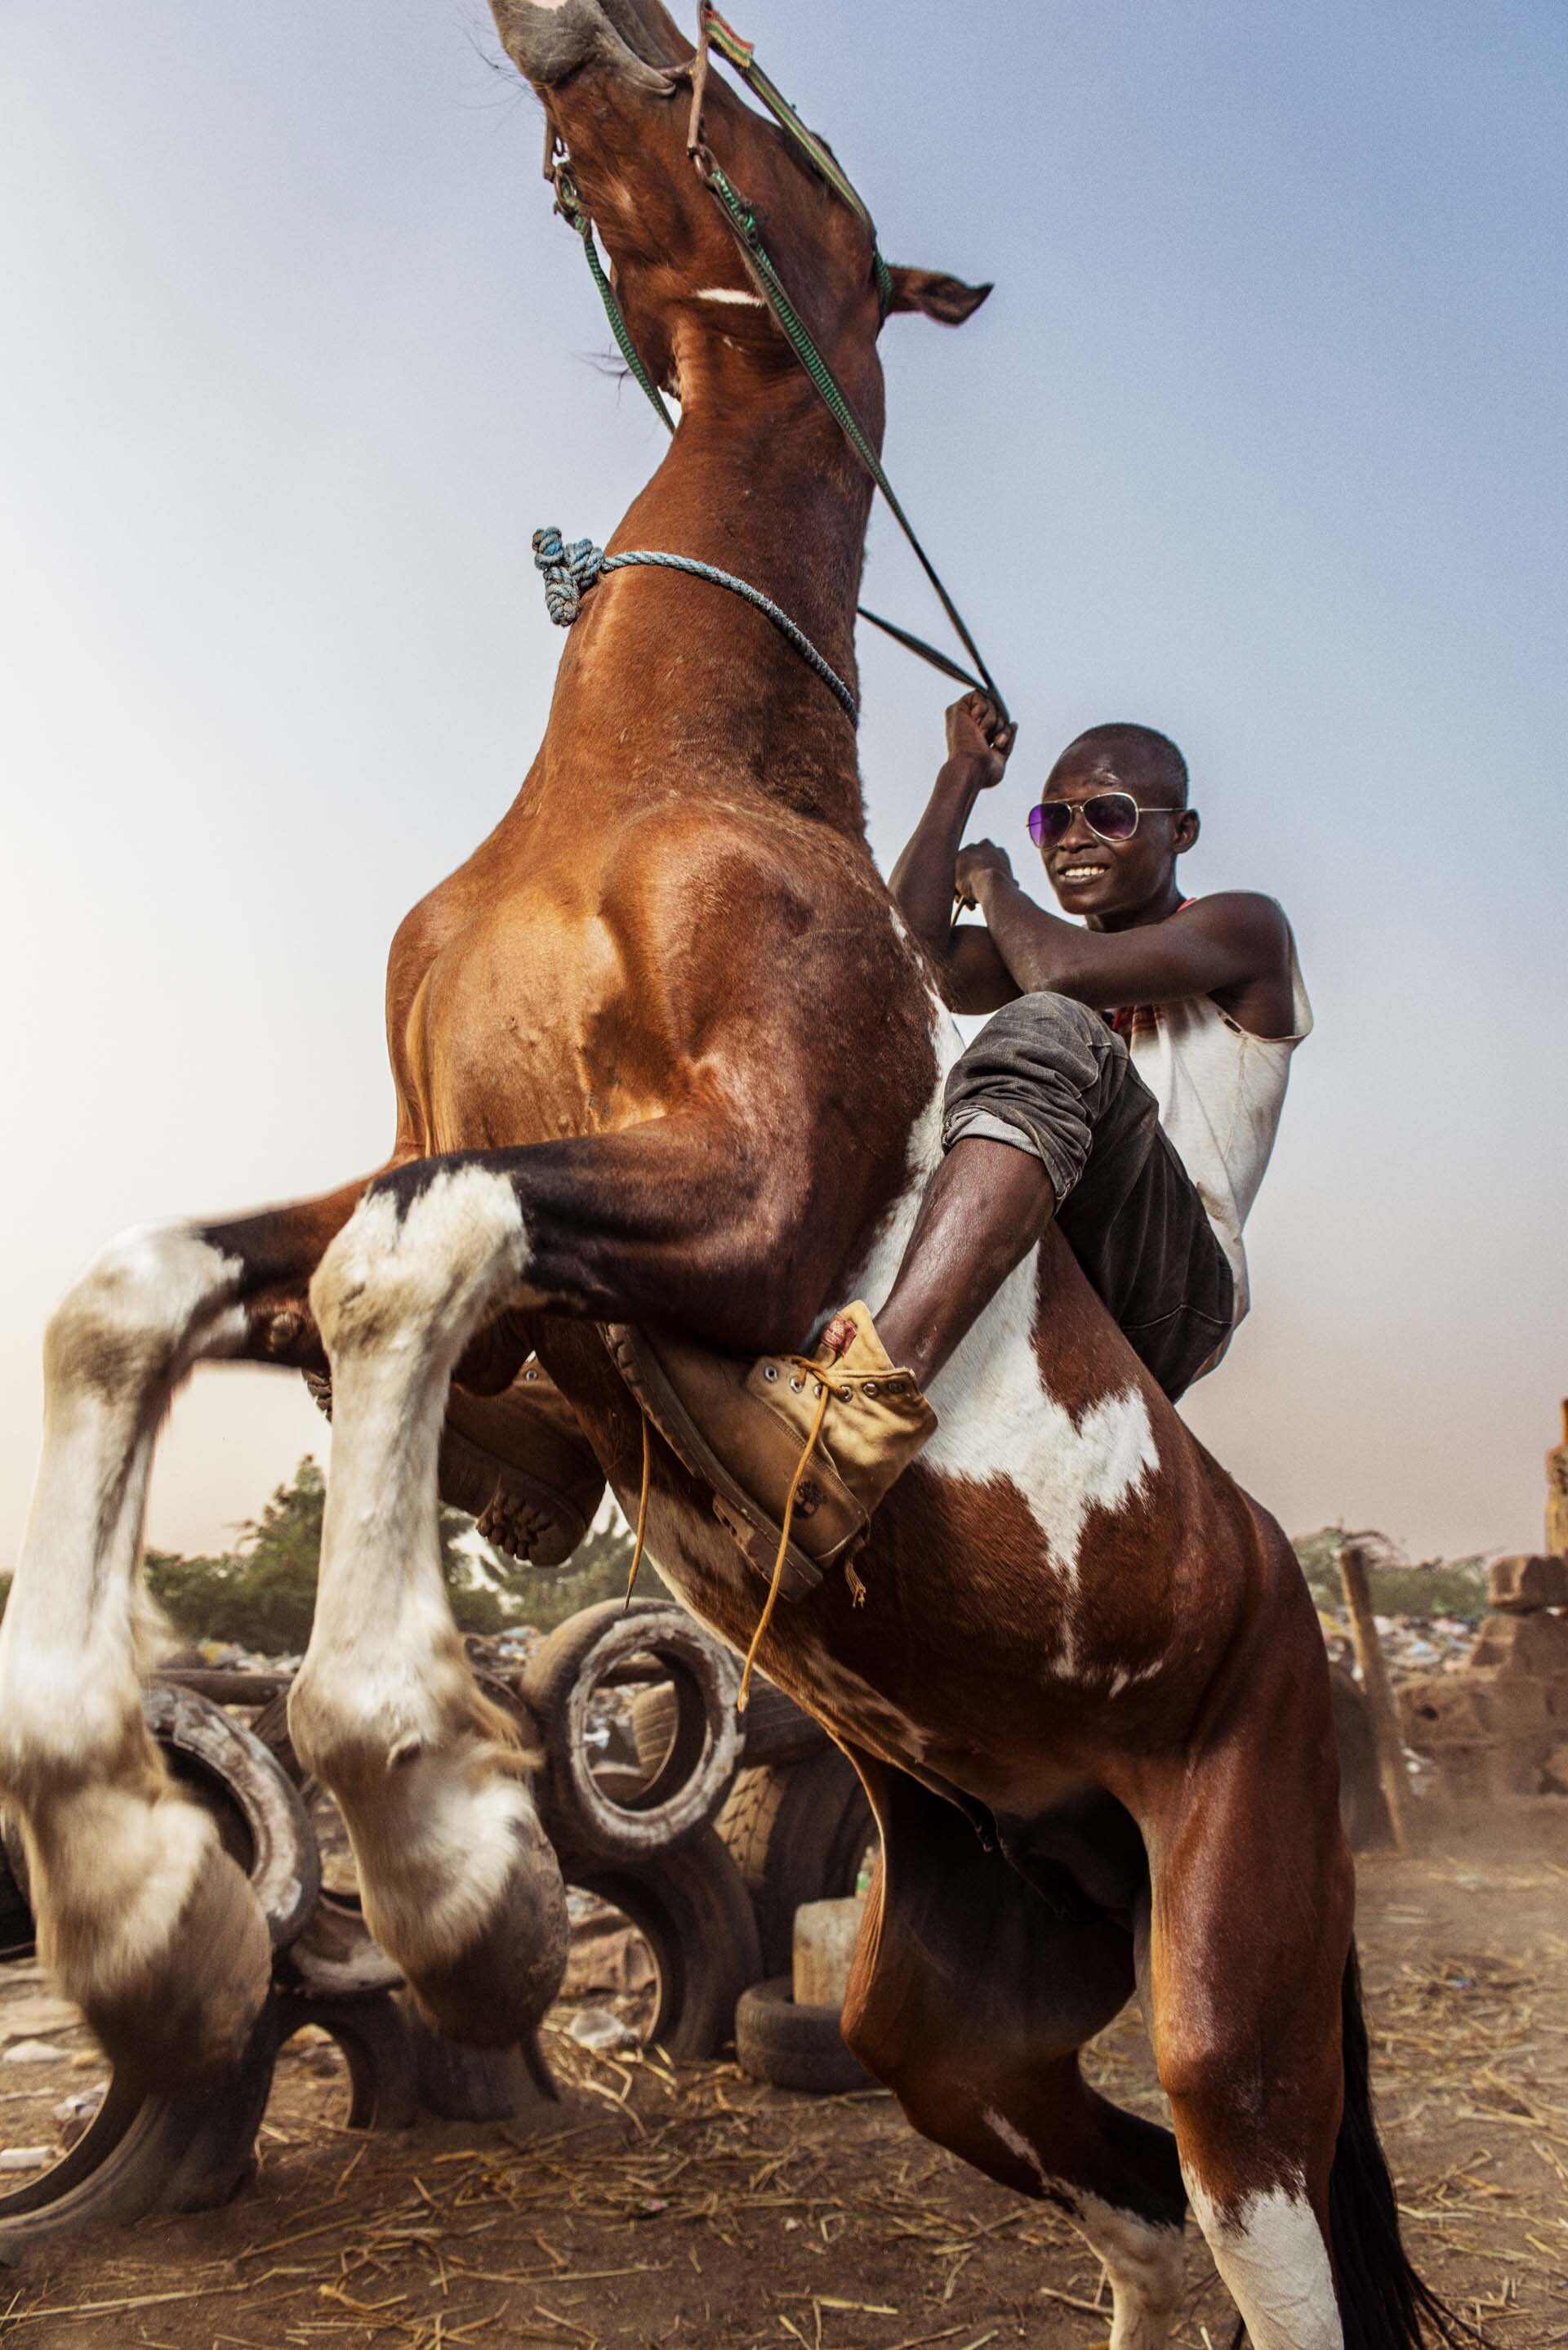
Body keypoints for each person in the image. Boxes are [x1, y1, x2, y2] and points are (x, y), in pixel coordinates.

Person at [623, 693, 1312, 1597]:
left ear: (1180, 831)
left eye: (1105, 814)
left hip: (1173, 1289)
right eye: (1050, 818)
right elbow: (909, 949)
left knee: (1053, 1030)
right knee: (874, 1077)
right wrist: (962, 779)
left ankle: (860, 1418)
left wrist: (994, 885)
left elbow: (1062, 977)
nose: (1071, 838)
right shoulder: (1039, 952)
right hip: (1055, 1247)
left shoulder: (1241, 929)